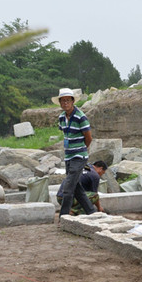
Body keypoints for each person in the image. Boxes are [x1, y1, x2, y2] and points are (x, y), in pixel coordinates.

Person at [54, 87, 97, 217]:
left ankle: (64, 216)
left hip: (79, 156)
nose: (65, 103)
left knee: (68, 187)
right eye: (63, 101)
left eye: (67, 100)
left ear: (73, 101)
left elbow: (88, 138)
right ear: (60, 103)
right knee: (77, 188)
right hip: (68, 156)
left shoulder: (80, 117)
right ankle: (91, 212)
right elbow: (65, 133)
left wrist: (82, 150)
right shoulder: (62, 117)